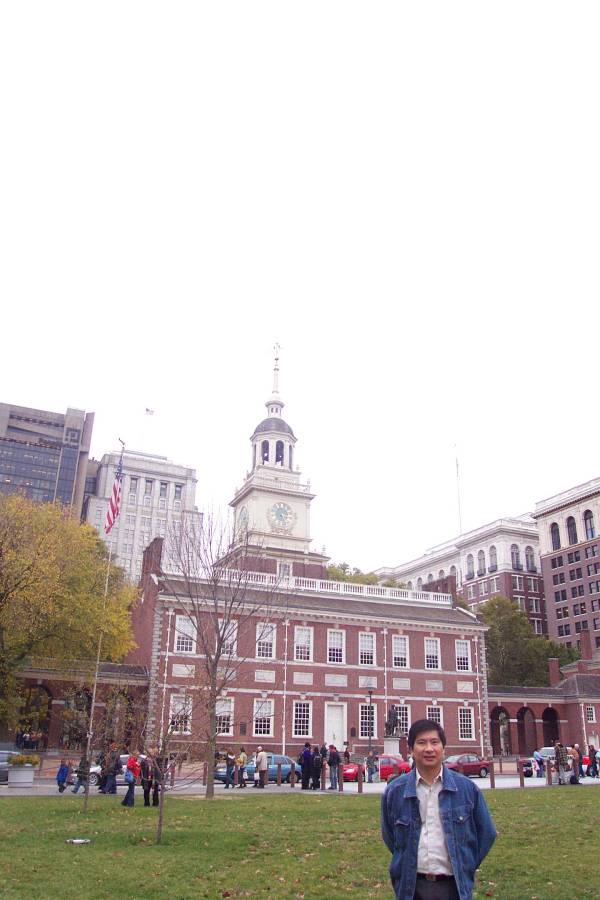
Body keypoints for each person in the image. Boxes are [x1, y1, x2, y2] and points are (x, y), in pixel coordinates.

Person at [382, 719, 496, 900]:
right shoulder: (395, 791)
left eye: (434, 742)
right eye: (421, 743)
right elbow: (390, 836)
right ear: (411, 750)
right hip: (411, 887)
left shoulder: (467, 789)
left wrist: (465, 864)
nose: (429, 749)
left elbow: (487, 833)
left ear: (444, 748)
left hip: (453, 887)